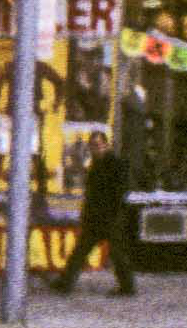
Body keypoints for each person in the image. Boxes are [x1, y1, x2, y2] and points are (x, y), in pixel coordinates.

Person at [53, 117, 141, 299]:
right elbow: (92, 194)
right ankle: (65, 282)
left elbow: (120, 191)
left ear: (106, 145)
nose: (96, 148)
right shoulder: (95, 165)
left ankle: (127, 287)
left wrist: (113, 211)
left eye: (99, 145)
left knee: (116, 254)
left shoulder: (116, 164)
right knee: (81, 251)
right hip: (97, 217)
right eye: (93, 146)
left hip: (110, 217)